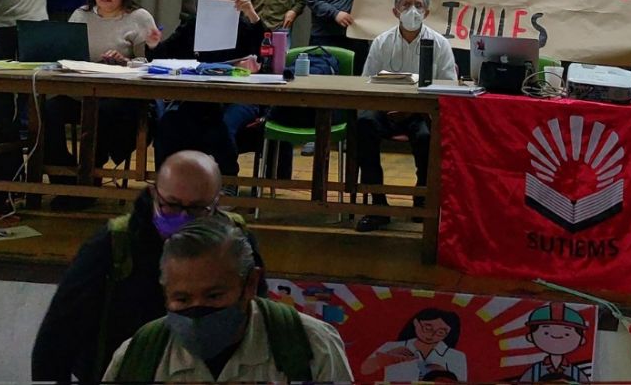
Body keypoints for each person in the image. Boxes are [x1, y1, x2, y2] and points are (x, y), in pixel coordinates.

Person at [31, 151, 266, 384]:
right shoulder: (113, 246)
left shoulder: (236, 244)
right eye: (171, 205)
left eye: (197, 209)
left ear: (216, 203)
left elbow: (260, 319)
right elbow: (58, 334)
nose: (183, 219)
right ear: (154, 194)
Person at [102, 216, 350, 383]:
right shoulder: (138, 358)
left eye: (214, 295)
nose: (197, 311)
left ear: (250, 284)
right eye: (182, 299)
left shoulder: (312, 348)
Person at [355, 0, 456, 232]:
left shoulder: (440, 44)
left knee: (426, 136)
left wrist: (414, 109)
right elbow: (366, 82)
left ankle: (422, 200)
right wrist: (386, 106)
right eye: (406, 5)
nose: (413, 10)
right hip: (384, 111)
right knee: (364, 126)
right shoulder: (381, 42)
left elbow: (448, 88)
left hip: (420, 113)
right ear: (395, 11)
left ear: (427, 12)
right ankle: (377, 206)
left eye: (418, 5)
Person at [151, 0, 267, 180]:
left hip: (238, 96)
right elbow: (166, 55)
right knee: (169, 123)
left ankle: (228, 179)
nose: (217, 3)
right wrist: (154, 45)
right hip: (198, 95)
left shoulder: (245, 26)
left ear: (237, 2)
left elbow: (265, 53)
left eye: (224, 0)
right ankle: (167, 181)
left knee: (222, 126)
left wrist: (252, 15)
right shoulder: (193, 24)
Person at [47, 0, 161, 169]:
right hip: (81, 93)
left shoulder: (139, 17)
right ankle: (63, 172)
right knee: (47, 110)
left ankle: (91, 171)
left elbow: (148, 65)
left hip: (118, 96)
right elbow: (67, 54)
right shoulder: (80, 15)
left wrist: (125, 61)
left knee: (102, 114)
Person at [360, 307, 466, 381]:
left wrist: (443, 374)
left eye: (441, 332)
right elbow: (364, 370)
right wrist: (386, 359)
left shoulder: (456, 356)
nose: (432, 335)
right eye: (428, 328)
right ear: (416, 323)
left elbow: (461, 382)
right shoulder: (392, 346)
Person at [518, 304, 591, 383]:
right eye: (546, 333)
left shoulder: (576, 372)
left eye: (567, 334)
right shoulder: (534, 371)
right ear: (530, 337)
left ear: (582, 340)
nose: (556, 337)